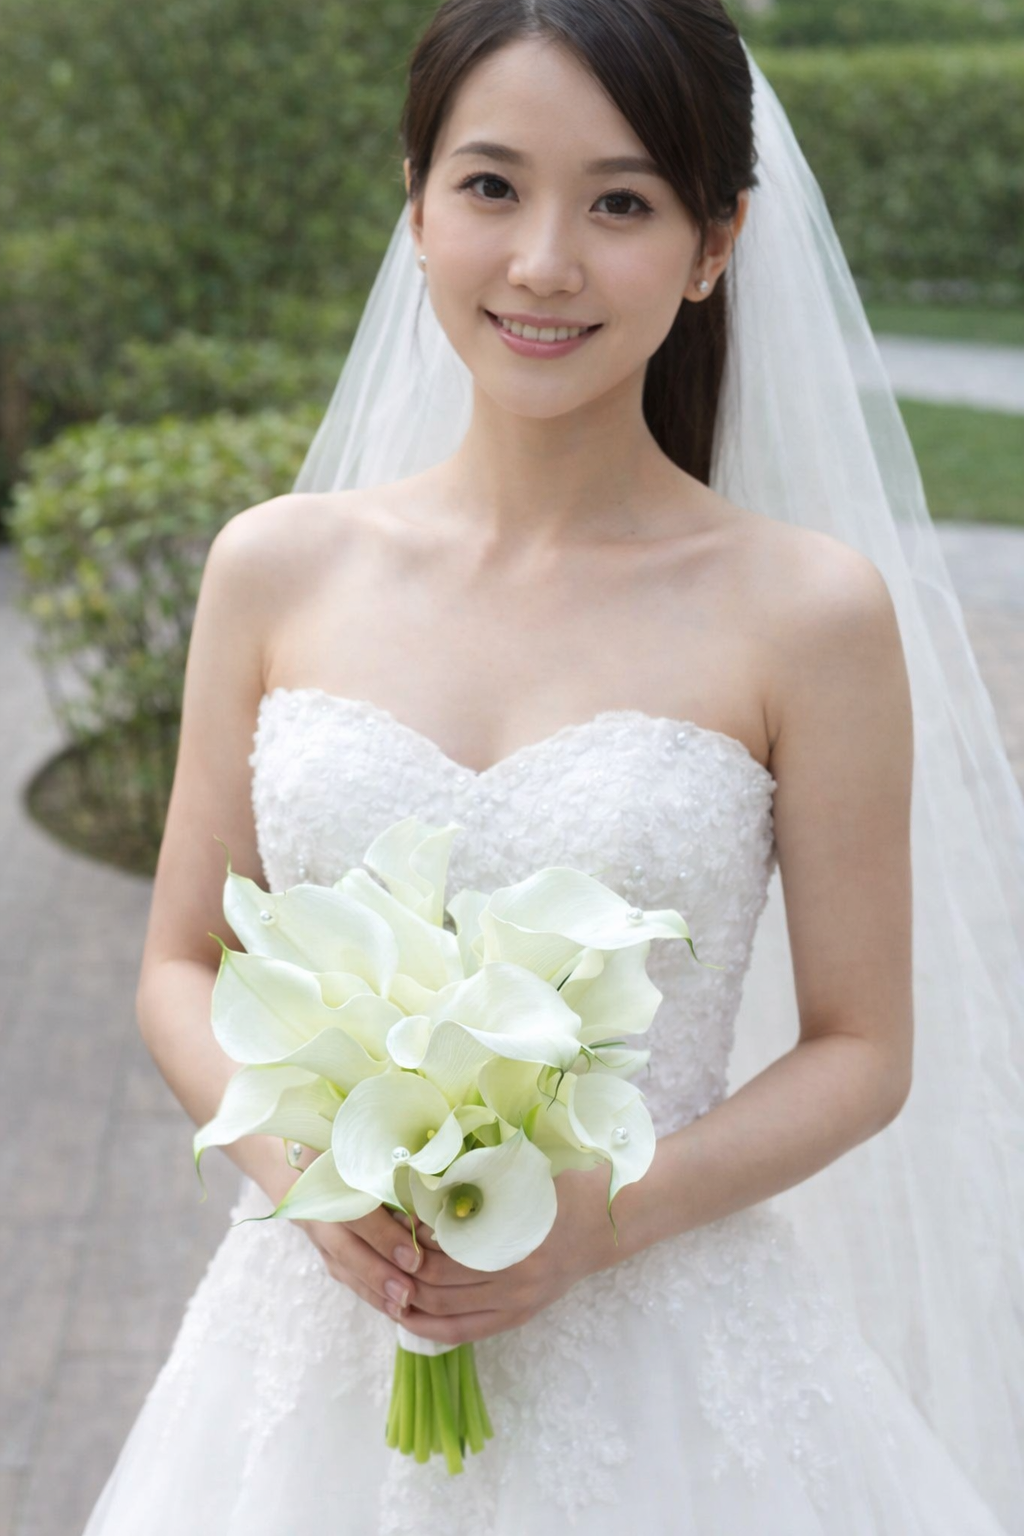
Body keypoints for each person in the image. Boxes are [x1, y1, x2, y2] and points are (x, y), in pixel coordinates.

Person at [82, 1, 1024, 1531]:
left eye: (623, 203)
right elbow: (178, 964)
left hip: (660, 1355)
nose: (543, 264)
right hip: (317, 1331)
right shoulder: (276, 568)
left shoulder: (808, 612)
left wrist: (595, 1220)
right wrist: (314, 1184)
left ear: (715, 244)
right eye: (493, 187)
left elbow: (863, 1048)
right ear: (417, 205)